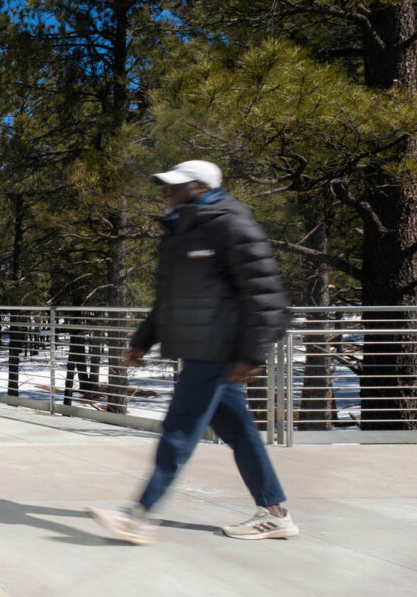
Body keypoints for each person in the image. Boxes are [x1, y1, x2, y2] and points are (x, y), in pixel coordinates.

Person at [90, 160, 298, 545]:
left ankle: (137, 516)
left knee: (179, 431)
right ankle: (275, 514)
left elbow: (265, 294)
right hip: (203, 347)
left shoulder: (231, 225)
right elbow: (171, 297)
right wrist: (143, 339)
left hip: (218, 348)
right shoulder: (181, 231)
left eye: (177, 184)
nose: (167, 189)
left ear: (201, 187)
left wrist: (251, 354)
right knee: (240, 432)